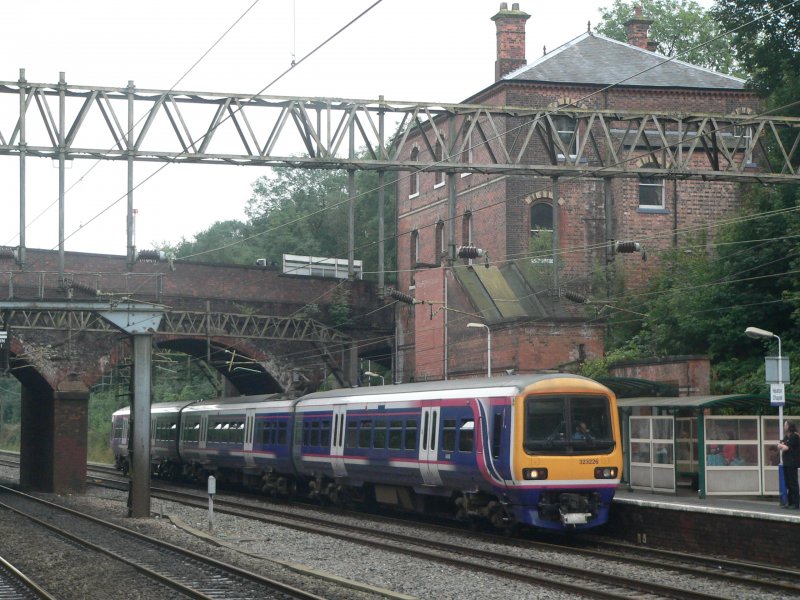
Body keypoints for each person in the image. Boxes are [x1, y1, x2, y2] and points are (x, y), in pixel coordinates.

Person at [777, 420, 800, 509]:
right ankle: (790, 502)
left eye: (785, 425)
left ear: (789, 426)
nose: (784, 426)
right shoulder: (786, 436)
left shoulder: (795, 436)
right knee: (788, 483)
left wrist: (783, 445)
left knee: (793, 483)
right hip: (786, 463)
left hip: (792, 463)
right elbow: (779, 445)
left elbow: (786, 447)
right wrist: (782, 445)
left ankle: (796, 503)